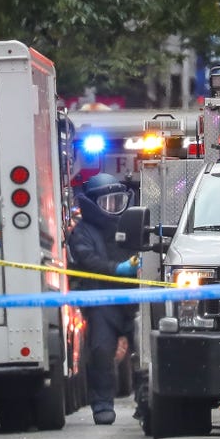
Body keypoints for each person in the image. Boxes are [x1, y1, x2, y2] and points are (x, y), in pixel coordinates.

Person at [68, 173, 139, 425]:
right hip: (102, 301)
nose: (113, 208)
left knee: (143, 352)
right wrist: (118, 268)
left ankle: (145, 400)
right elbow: (87, 260)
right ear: (92, 203)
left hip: (133, 300)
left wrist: (138, 265)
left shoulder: (132, 225)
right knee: (100, 352)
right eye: (107, 202)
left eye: (118, 202)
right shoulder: (82, 232)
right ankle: (101, 405)